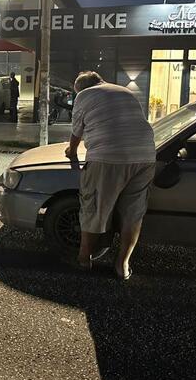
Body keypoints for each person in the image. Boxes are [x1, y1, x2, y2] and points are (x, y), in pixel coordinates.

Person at [64, 71, 156, 280]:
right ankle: (122, 265)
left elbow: (77, 131)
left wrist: (71, 151)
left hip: (108, 158)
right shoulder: (126, 91)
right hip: (145, 156)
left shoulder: (83, 96)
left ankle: (84, 258)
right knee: (133, 213)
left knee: (94, 207)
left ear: (81, 88)